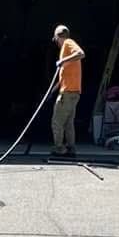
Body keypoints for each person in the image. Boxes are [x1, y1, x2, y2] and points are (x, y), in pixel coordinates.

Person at [50, 24, 83, 159]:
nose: (56, 43)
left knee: (56, 122)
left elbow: (81, 53)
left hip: (68, 93)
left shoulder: (68, 43)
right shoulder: (67, 49)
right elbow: (64, 76)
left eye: (55, 39)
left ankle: (59, 149)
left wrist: (62, 60)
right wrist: (52, 91)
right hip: (73, 92)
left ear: (58, 37)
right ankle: (70, 149)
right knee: (68, 123)